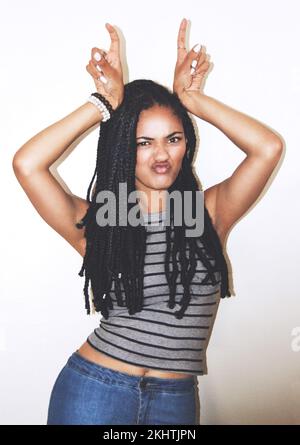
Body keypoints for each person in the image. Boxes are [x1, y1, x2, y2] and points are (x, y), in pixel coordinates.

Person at [12, 19, 283, 425]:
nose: (162, 154)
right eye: (144, 141)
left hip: (175, 398)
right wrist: (101, 105)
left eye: (173, 138)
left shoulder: (207, 213)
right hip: (95, 391)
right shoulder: (102, 222)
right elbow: (27, 164)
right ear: (124, 146)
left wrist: (192, 100)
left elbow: (268, 148)